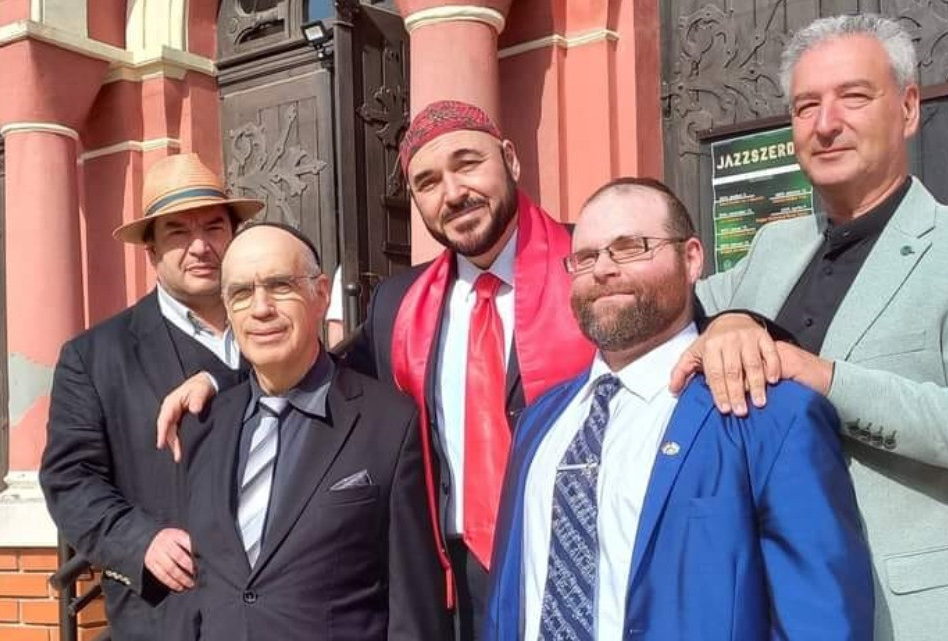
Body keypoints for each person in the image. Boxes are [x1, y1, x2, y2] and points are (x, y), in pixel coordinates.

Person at [677, 14, 948, 640]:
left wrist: (828, 379)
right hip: (769, 607)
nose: (826, 123)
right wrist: (729, 319)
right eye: (806, 106)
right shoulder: (772, 248)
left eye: (853, 97)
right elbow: (675, 313)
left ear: (907, 109)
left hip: (907, 616)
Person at [156, 100, 596, 640]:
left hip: (576, 561)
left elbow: (665, 334)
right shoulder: (401, 303)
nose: (453, 192)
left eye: (468, 164)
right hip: (457, 581)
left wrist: (706, 339)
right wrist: (220, 378)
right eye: (428, 182)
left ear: (510, 159)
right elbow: (309, 361)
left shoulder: (594, 266)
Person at [483, 178, 873, 641]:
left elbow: (820, 619)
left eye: (630, 247)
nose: (603, 269)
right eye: (585, 257)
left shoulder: (769, 413)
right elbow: (510, 597)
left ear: (691, 259)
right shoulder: (539, 423)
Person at [177, 222, 445, 641]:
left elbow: (413, 608)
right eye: (242, 292)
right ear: (227, 309)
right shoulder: (205, 423)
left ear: (321, 295)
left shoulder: (390, 423)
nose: (261, 308)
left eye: (280, 285)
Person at [39, 153, 261, 640]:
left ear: (234, 235)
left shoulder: (273, 329)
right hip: (168, 614)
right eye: (178, 232)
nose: (200, 246)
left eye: (214, 227)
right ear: (151, 252)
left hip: (277, 611)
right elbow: (70, 479)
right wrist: (140, 540)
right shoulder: (95, 357)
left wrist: (219, 381)